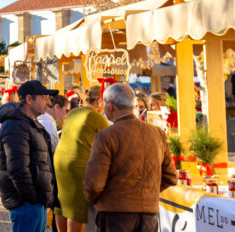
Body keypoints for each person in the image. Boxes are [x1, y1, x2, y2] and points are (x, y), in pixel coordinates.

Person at [82, 83, 176, 231]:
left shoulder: (106, 136)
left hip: (115, 213)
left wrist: (99, 199)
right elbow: (171, 176)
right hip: (148, 214)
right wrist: (147, 194)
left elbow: (93, 184)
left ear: (111, 106)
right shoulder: (157, 133)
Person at [0, 80, 58, 232]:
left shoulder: (30, 123)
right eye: (44, 97)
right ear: (30, 99)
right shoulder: (16, 125)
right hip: (27, 204)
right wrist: (33, 198)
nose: (48, 102)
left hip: (35, 203)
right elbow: (17, 169)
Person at [55, 85, 110, 232]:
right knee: (76, 208)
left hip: (60, 160)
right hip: (77, 163)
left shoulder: (73, 112)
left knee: (62, 205)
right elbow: (111, 138)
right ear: (99, 100)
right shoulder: (95, 116)